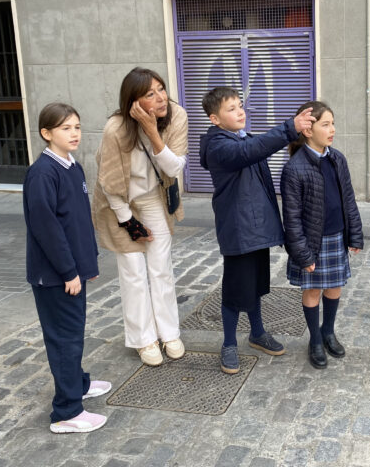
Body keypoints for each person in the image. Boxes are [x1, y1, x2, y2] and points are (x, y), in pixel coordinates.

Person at [199, 87, 315, 374]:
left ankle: (257, 333)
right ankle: (228, 344)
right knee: (234, 290)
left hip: (258, 229)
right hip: (239, 231)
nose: (240, 112)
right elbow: (247, 152)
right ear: (215, 119)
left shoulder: (244, 139)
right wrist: (290, 128)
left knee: (256, 285)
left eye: (240, 106)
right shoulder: (219, 146)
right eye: (231, 109)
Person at [23, 102, 110, 434]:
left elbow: (77, 223)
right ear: (46, 134)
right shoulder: (43, 173)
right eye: (65, 128)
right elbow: (47, 229)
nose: (74, 133)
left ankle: (79, 384)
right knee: (64, 339)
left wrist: (87, 265)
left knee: (74, 335)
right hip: (56, 276)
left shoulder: (73, 167)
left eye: (76, 126)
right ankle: (67, 412)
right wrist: (68, 272)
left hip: (74, 270)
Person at [93, 68, 188, 367]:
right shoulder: (116, 129)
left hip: (154, 198)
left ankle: (169, 333)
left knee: (161, 268)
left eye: (161, 89)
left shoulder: (176, 116)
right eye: (150, 94)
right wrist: (128, 222)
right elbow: (108, 182)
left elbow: (173, 168)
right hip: (121, 202)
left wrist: (151, 130)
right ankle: (143, 338)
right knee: (133, 271)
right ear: (133, 102)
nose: (161, 98)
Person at [280, 101, 364, 369]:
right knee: (313, 290)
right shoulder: (294, 168)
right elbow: (291, 218)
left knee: (335, 287)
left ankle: (328, 331)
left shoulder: (337, 159)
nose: (332, 130)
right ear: (308, 130)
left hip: (336, 237)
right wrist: (303, 254)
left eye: (333, 123)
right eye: (325, 124)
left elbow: (348, 199)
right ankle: (314, 339)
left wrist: (355, 235)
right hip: (313, 242)